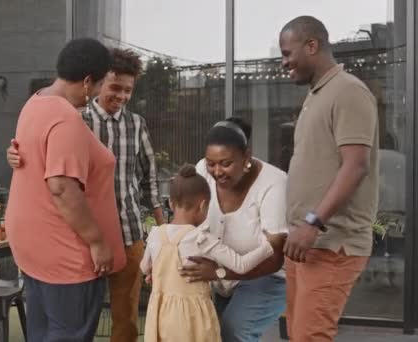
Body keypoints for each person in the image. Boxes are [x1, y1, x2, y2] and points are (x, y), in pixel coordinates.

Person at [8, 48, 164, 342]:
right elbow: (62, 186)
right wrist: (96, 240)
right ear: (93, 82)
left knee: (124, 319)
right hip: (82, 242)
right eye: (113, 86)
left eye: (128, 91)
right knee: (70, 327)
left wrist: (163, 228)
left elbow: (149, 178)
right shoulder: (73, 118)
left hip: (126, 230)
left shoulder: (135, 124)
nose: (121, 96)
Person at [280, 16, 379, 341]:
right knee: (298, 334)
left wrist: (312, 222)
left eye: (287, 53)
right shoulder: (315, 95)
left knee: (310, 336)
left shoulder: (348, 91)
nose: (284, 63)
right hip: (306, 244)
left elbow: (355, 166)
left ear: (312, 45)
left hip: (331, 242)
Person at [177, 117, 289, 342]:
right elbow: (188, 218)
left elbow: (275, 256)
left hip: (266, 276)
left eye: (226, 163)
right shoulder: (202, 171)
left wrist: (220, 272)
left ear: (246, 157)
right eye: (211, 163)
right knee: (209, 333)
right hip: (219, 274)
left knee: (235, 331)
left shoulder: (274, 183)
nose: (217, 171)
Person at [141, 164, 278, 342]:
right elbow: (241, 265)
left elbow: (144, 267)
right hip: (192, 320)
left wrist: (156, 271)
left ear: (170, 203)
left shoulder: (155, 235)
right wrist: (269, 246)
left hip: (161, 316)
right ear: (203, 205)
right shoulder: (201, 239)